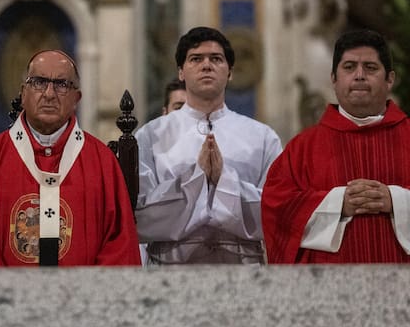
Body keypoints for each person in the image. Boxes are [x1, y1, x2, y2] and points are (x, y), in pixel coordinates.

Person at [0, 49, 141, 266]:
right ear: (23, 93)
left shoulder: (102, 162)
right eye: (39, 82)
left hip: (85, 288)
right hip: (4, 287)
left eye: (62, 84)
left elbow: (119, 244)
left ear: (77, 98)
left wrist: (88, 288)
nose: (49, 94)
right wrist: (6, 286)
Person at [136, 27, 283, 265]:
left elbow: (279, 212)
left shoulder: (263, 137)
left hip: (243, 269)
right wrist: (195, 179)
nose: (206, 65)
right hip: (172, 270)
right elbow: (141, 217)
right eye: (196, 59)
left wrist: (224, 180)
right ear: (181, 72)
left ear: (230, 72)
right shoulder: (151, 135)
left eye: (216, 59)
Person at [262, 29, 410, 263]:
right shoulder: (302, 148)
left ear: (390, 79)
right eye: (349, 67)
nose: (359, 76)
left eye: (370, 68)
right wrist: (339, 202)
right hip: (325, 283)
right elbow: (276, 208)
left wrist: (395, 200)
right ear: (333, 79)